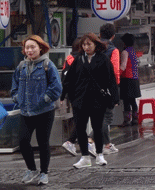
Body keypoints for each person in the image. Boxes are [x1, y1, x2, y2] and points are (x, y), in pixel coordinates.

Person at [11, 35, 62, 185]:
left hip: (44, 111)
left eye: (33, 47)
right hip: (26, 111)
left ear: (40, 48)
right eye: (27, 47)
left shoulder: (47, 65)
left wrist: (44, 100)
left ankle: (44, 173)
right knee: (23, 141)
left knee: (43, 142)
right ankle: (31, 169)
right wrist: (16, 98)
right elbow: (14, 85)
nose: (30, 50)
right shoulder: (21, 66)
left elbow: (56, 87)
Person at [62, 33, 118, 168]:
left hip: (97, 100)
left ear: (95, 44)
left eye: (89, 44)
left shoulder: (103, 59)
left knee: (97, 128)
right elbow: (69, 79)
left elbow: (111, 79)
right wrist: (63, 96)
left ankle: (99, 155)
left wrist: (115, 98)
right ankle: (85, 157)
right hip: (80, 100)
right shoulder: (79, 59)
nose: (86, 47)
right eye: (84, 44)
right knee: (80, 128)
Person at [94, 24, 120, 155]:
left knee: (99, 116)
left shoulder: (93, 47)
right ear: (113, 36)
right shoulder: (113, 50)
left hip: (93, 87)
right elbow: (115, 72)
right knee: (107, 117)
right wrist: (115, 89)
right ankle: (92, 141)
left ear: (99, 34)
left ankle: (106, 144)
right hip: (107, 87)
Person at [61, 37, 83, 156]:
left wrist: (63, 95)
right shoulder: (80, 59)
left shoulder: (69, 58)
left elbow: (64, 78)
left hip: (72, 93)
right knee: (81, 118)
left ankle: (76, 140)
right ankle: (71, 141)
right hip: (81, 93)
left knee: (78, 117)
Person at [119, 33, 141, 127]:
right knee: (133, 101)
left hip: (127, 79)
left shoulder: (125, 52)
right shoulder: (133, 51)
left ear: (124, 42)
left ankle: (127, 120)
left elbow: (123, 66)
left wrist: (116, 74)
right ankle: (135, 119)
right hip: (135, 79)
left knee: (126, 102)